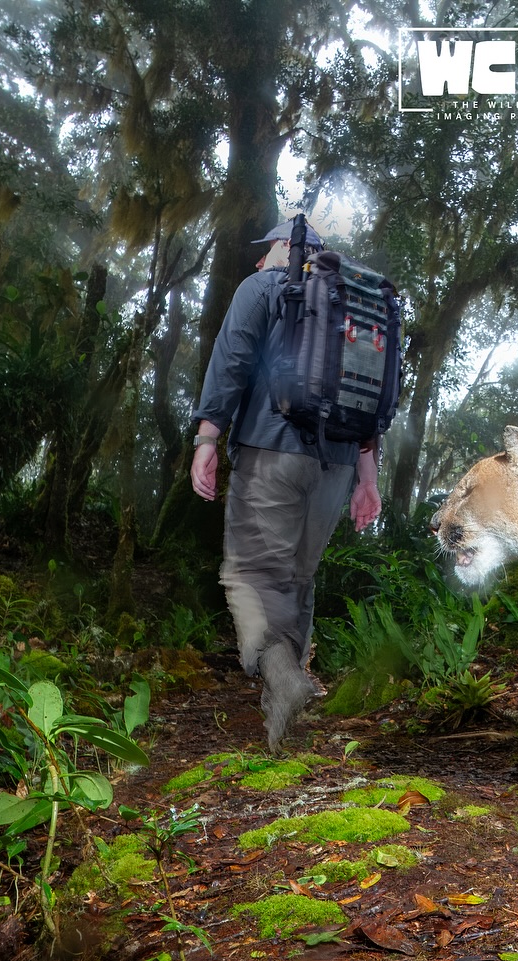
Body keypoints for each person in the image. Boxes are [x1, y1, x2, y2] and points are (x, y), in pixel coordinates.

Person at [190, 217, 383, 750]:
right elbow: (370, 398)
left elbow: (231, 359)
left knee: (251, 574)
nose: (259, 261)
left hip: (270, 451)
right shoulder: (356, 306)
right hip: (338, 466)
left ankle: (282, 674)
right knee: (298, 577)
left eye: (266, 250)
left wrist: (207, 438)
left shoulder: (264, 286)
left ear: (285, 246)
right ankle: (287, 703)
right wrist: (367, 479)